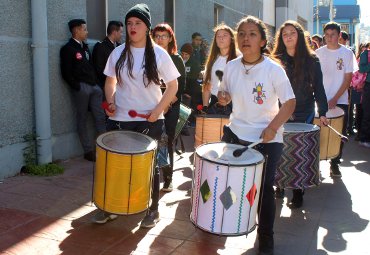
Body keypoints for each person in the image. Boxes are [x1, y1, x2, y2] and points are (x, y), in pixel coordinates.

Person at [91, 4, 179, 228]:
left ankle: (152, 209)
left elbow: (173, 86)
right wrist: (110, 102)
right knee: (116, 165)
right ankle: (111, 207)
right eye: (129, 23)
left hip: (149, 120)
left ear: (147, 27)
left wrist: (157, 111)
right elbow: (110, 81)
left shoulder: (159, 54)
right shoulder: (118, 52)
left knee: (148, 167)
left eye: (137, 23)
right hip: (120, 118)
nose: (132, 27)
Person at [218, 16, 296, 255]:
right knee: (229, 183)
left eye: (252, 34)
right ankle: (229, 225)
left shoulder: (273, 70)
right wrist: (224, 97)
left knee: (264, 190)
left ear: (263, 41)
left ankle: (266, 237)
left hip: (266, 139)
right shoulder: (231, 66)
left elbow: (290, 102)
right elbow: (225, 93)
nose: (245, 38)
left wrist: (272, 127)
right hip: (235, 134)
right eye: (241, 33)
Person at [271, 21, 328, 208]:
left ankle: (297, 192)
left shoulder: (312, 60)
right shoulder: (275, 59)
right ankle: (279, 184)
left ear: (300, 36)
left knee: (297, 152)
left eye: (292, 33)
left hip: (304, 110)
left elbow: (319, 87)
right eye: (284, 33)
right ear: (280, 37)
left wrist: (324, 112)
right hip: (279, 110)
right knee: (279, 149)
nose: (288, 36)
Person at [316, 22, 358, 178]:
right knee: (319, 131)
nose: (329, 38)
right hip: (321, 100)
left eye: (332, 34)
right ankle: (317, 163)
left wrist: (334, 98)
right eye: (326, 35)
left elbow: (347, 79)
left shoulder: (347, 54)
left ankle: (335, 164)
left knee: (338, 133)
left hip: (340, 100)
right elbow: (315, 78)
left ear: (339, 35)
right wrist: (320, 98)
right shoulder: (318, 53)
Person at [60, 19, 106, 162]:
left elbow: (91, 67)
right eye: (84, 29)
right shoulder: (68, 49)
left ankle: (104, 148)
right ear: (76, 31)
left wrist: (97, 85)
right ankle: (88, 151)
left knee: (100, 117)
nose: (87, 32)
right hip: (82, 88)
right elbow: (66, 72)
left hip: (94, 87)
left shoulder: (85, 48)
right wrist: (78, 87)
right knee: (82, 118)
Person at [152, 23, 186, 192]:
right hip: (151, 105)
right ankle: (151, 175)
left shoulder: (176, 59)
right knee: (152, 140)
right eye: (157, 36)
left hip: (170, 107)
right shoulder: (149, 56)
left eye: (164, 36)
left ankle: (168, 179)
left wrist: (165, 105)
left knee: (167, 140)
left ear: (170, 38)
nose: (160, 39)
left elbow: (180, 87)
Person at [202, 23, 238, 110]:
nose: (221, 38)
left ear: (231, 39)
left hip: (236, 105)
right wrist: (205, 107)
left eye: (225, 35)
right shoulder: (213, 60)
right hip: (216, 104)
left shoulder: (240, 58)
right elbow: (207, 86)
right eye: (218, 36)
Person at [92, 21, 123, 91]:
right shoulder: (100, 47)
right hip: (106, 86)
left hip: (119, 86)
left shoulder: (119, 46)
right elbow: (99, 69)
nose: (122, 34)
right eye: (121, 32)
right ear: (114, 32)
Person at [181, 43, 202, 125]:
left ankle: (190, 123)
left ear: (190, 54)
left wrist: (187, 92)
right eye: (182, 53)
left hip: (191, 90)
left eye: (186, 54)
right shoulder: (179, 60)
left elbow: (193, 80)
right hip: (182, 88)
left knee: (191, 107)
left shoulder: (194, 63)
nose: (184, 56)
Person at [358, 43, 370, 148]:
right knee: (367, 113)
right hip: (368, 86)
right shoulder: (365, 54)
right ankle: (364, 138)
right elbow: (362, 69)